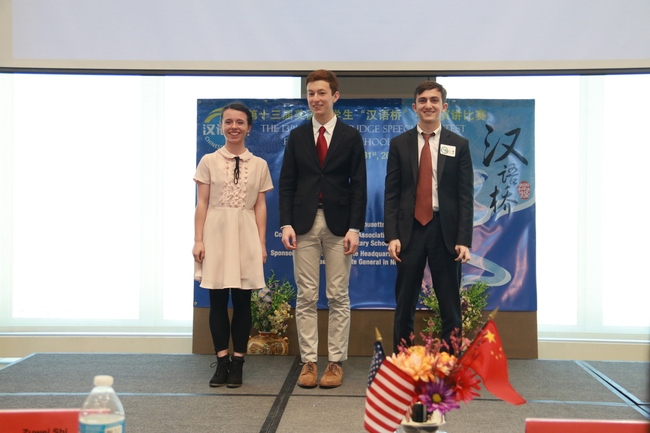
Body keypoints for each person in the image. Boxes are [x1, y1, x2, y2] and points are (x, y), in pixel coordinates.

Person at [279, 69, 367, 388]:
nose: (316, 99)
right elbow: (287, 182)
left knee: (338, 295)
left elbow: (359, 186)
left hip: (340, 226)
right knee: (305, 296)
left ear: (335, 96)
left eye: (321, 93)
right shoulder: (298, 136)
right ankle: (309, 362)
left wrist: (355, 228)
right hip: (302, 224)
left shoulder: (350, 136)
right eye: (311, 93)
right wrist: (286, 223)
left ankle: (334, 363)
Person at [384, 81, 474, 354]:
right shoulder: (400, 144)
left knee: (449, 305)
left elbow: (464, 196)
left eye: (434, 100)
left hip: (445, 233)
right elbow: (392, 193)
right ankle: (402, 362)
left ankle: (449, 363)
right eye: (423, 100)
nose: (428, 105)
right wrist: (393, 235)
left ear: (444, 107)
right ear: (415, 107)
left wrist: (463, 239)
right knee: (405, 304)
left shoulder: (459, 144)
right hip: (410, 231)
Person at [193, 102, 273, 388]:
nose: (234, 127)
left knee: (242, 301)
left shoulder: (260, 164)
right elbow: (201, 203)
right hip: (215, 233)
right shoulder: (208, 161)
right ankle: (222, 361)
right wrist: (198, 240)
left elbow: (260, 206)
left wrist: (262, 243)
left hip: (246, 234)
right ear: (221, 126)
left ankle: (238, 362)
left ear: (249, 128)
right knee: (216, 300)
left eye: (240, 122)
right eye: (228, 122)